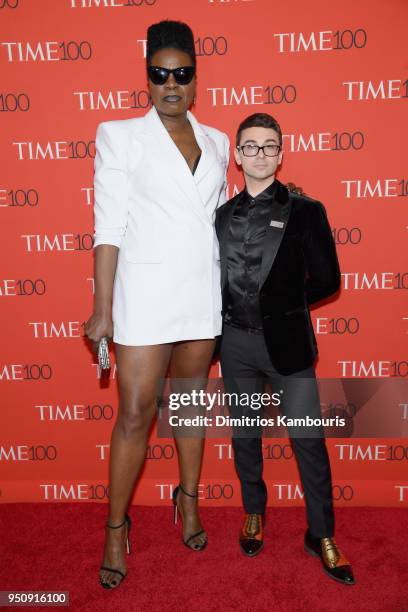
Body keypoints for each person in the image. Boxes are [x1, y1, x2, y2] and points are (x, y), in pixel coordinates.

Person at [84, 20, 229, 589]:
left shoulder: (217, 141)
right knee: (138, 414)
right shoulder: (119, 136)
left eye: (182, 74)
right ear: (148, 79)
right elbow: (108, 227)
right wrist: (102, 308)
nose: (171, 84)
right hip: (142, 297)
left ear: (196, 79)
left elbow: (223, 219)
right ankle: (116, 528)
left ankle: (187, 502)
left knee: (190, 404)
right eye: (159, 74)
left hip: (201, 290)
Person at [215, 113, 355, 585]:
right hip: (234, 343)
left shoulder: (307, 210)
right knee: (245, 437)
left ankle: (321, 533)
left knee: (309, 444)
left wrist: (282, 308)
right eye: (250, 147)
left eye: (268, 146)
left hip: (288, 344)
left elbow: (329, 280)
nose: (259, 154)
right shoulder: (220, 215)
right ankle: (254, 510)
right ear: (237, 155)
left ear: (281, 152)